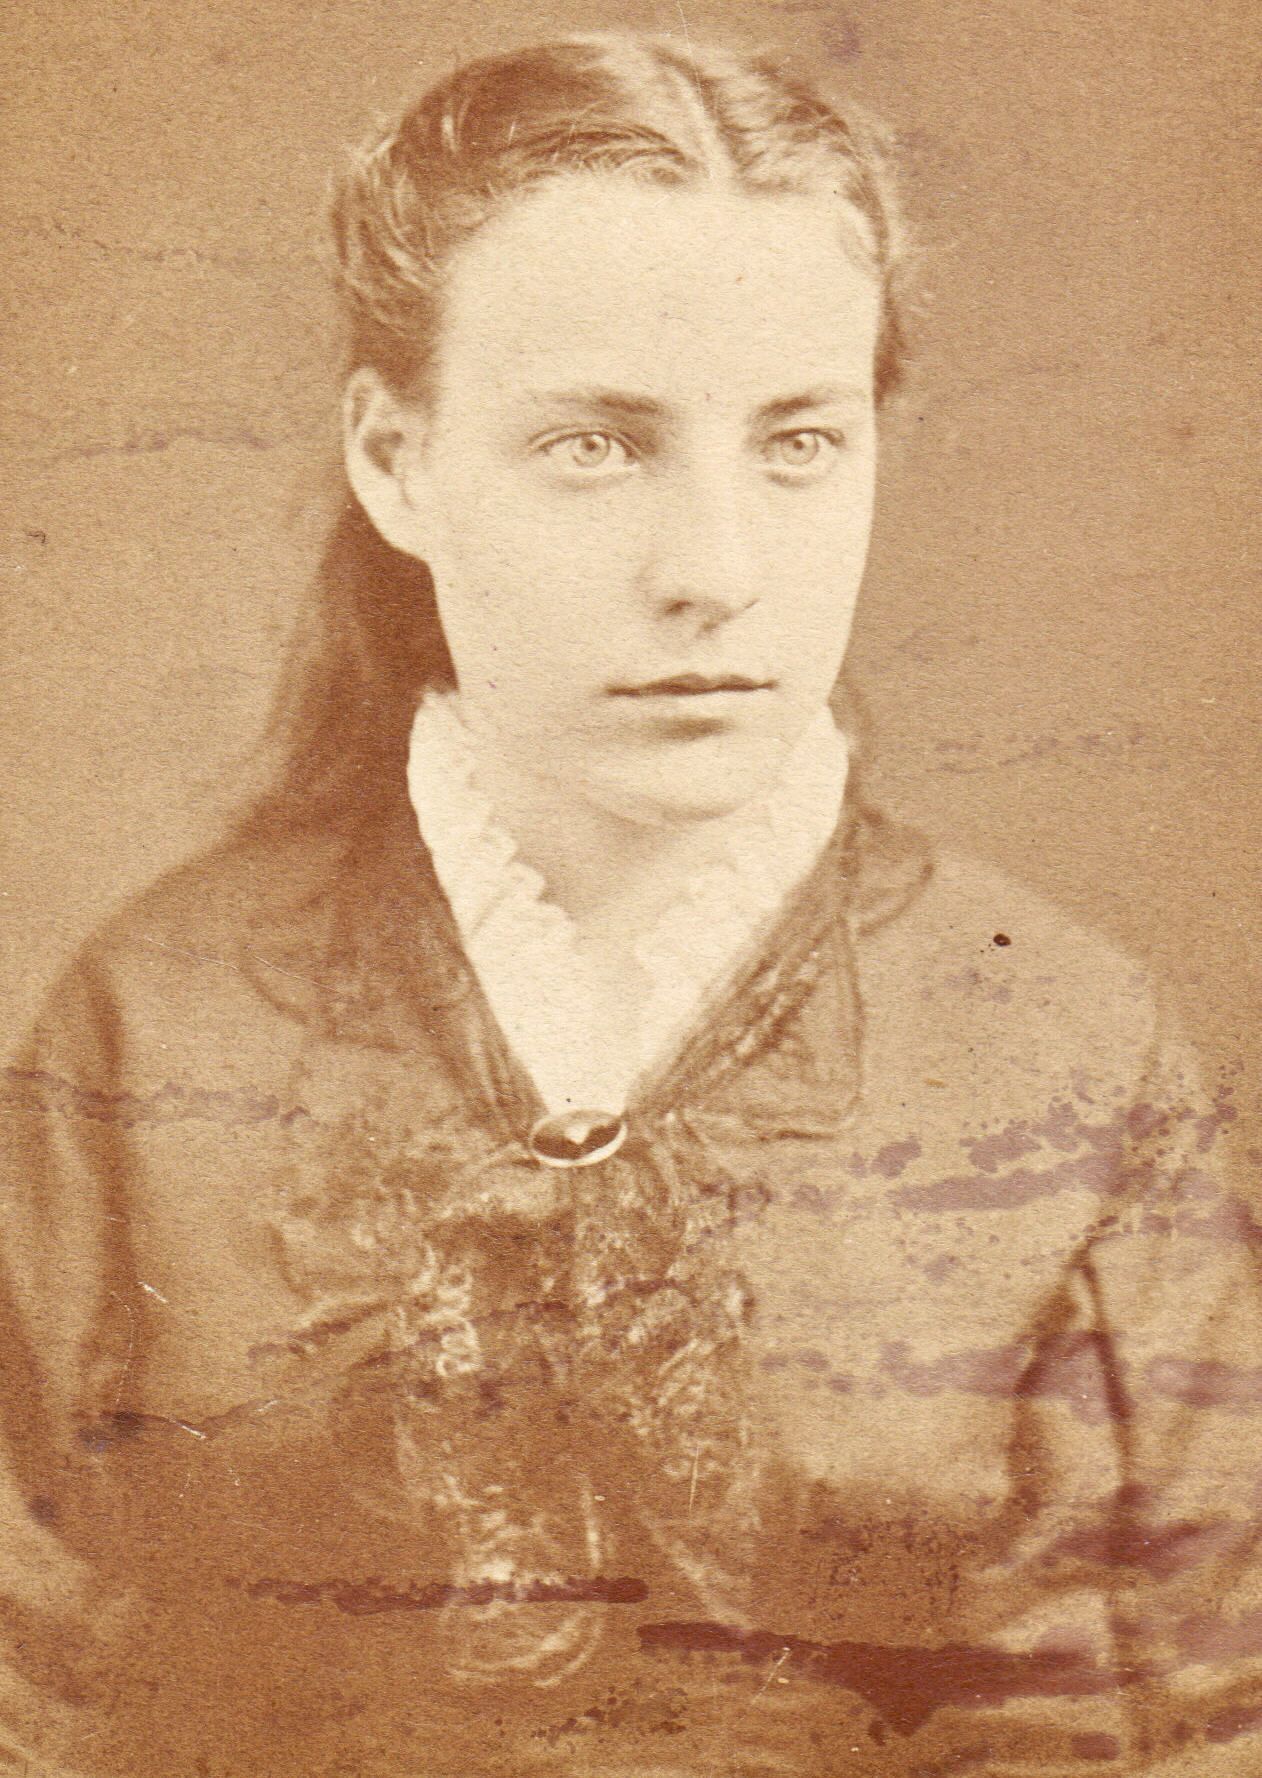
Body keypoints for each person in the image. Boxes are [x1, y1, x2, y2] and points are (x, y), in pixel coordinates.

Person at [1, 30, 1259, 1778]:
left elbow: (1200, 1717)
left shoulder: (1064, 1051)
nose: (715, 570)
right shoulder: (153, 1028)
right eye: (595, 445)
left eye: (797, 441)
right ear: (396, 459)